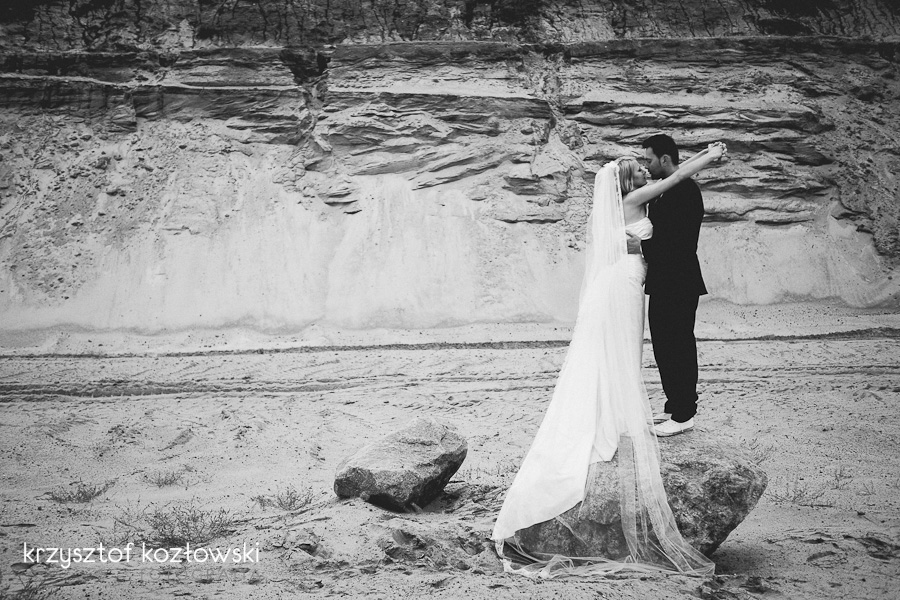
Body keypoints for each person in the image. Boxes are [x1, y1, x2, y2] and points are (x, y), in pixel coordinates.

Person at [491, 141, 725, 578]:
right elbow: (676, 175)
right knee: (623, 347)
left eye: (645, 164)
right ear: (625, 181)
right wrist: (708, 157)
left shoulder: (629, 201)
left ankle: (631, 413)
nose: (644, 170)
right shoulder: (633, 200)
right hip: (625, 281)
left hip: (632, 280)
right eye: (637, 168)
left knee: (628, 348)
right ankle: (620, 416)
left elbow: (673, 185)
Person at [639, 134, 715, 437]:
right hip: (663, 281)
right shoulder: (665, 188)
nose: (646, 166)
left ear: (665, 159)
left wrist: (640, 246)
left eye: (649, 160)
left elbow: (677, 242)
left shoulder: (685, 191)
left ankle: (684, 413)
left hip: (679, 281)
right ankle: (674, 405)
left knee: (678, 346)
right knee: (663, 346)